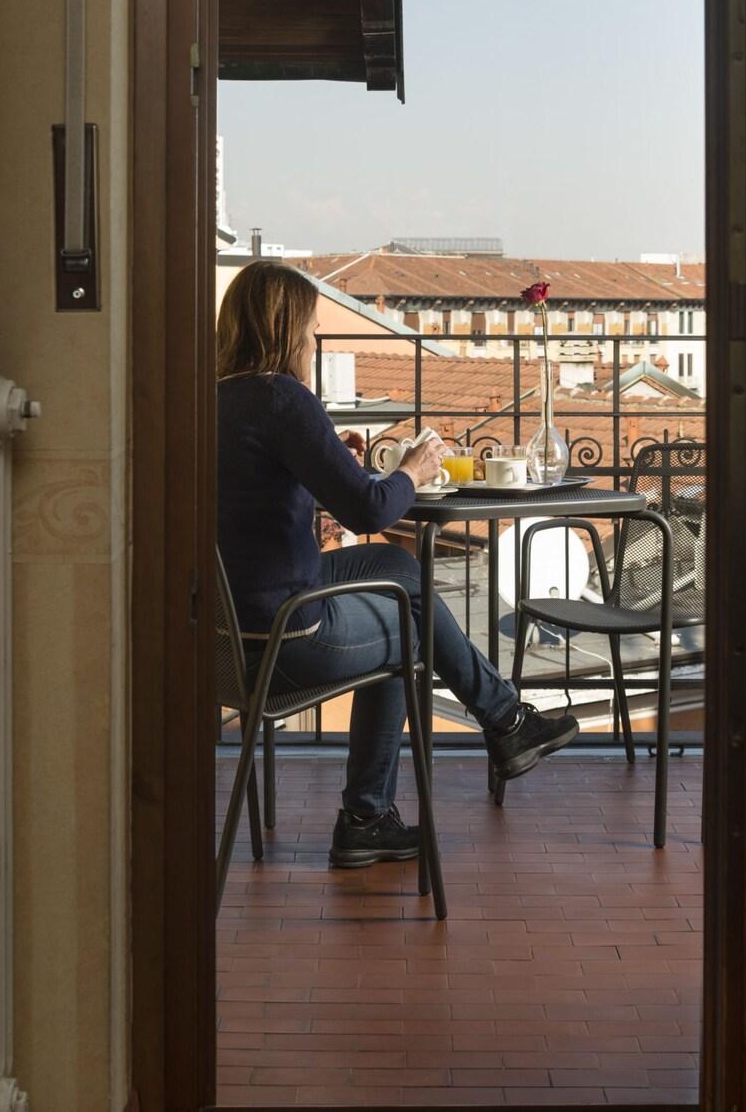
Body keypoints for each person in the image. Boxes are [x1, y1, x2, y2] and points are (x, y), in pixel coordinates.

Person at [216, 260, 579, 868]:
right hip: (285, 638)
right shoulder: (283, 398)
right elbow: (369, 510)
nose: (313, 341)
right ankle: (372, 813)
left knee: (396, 568)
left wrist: (330, 453)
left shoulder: (213, 397)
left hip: (226, 635)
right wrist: (413, 469)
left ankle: (505, 721)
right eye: (310, 329)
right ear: (286, 330)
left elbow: (262, 488)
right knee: (407, 627)